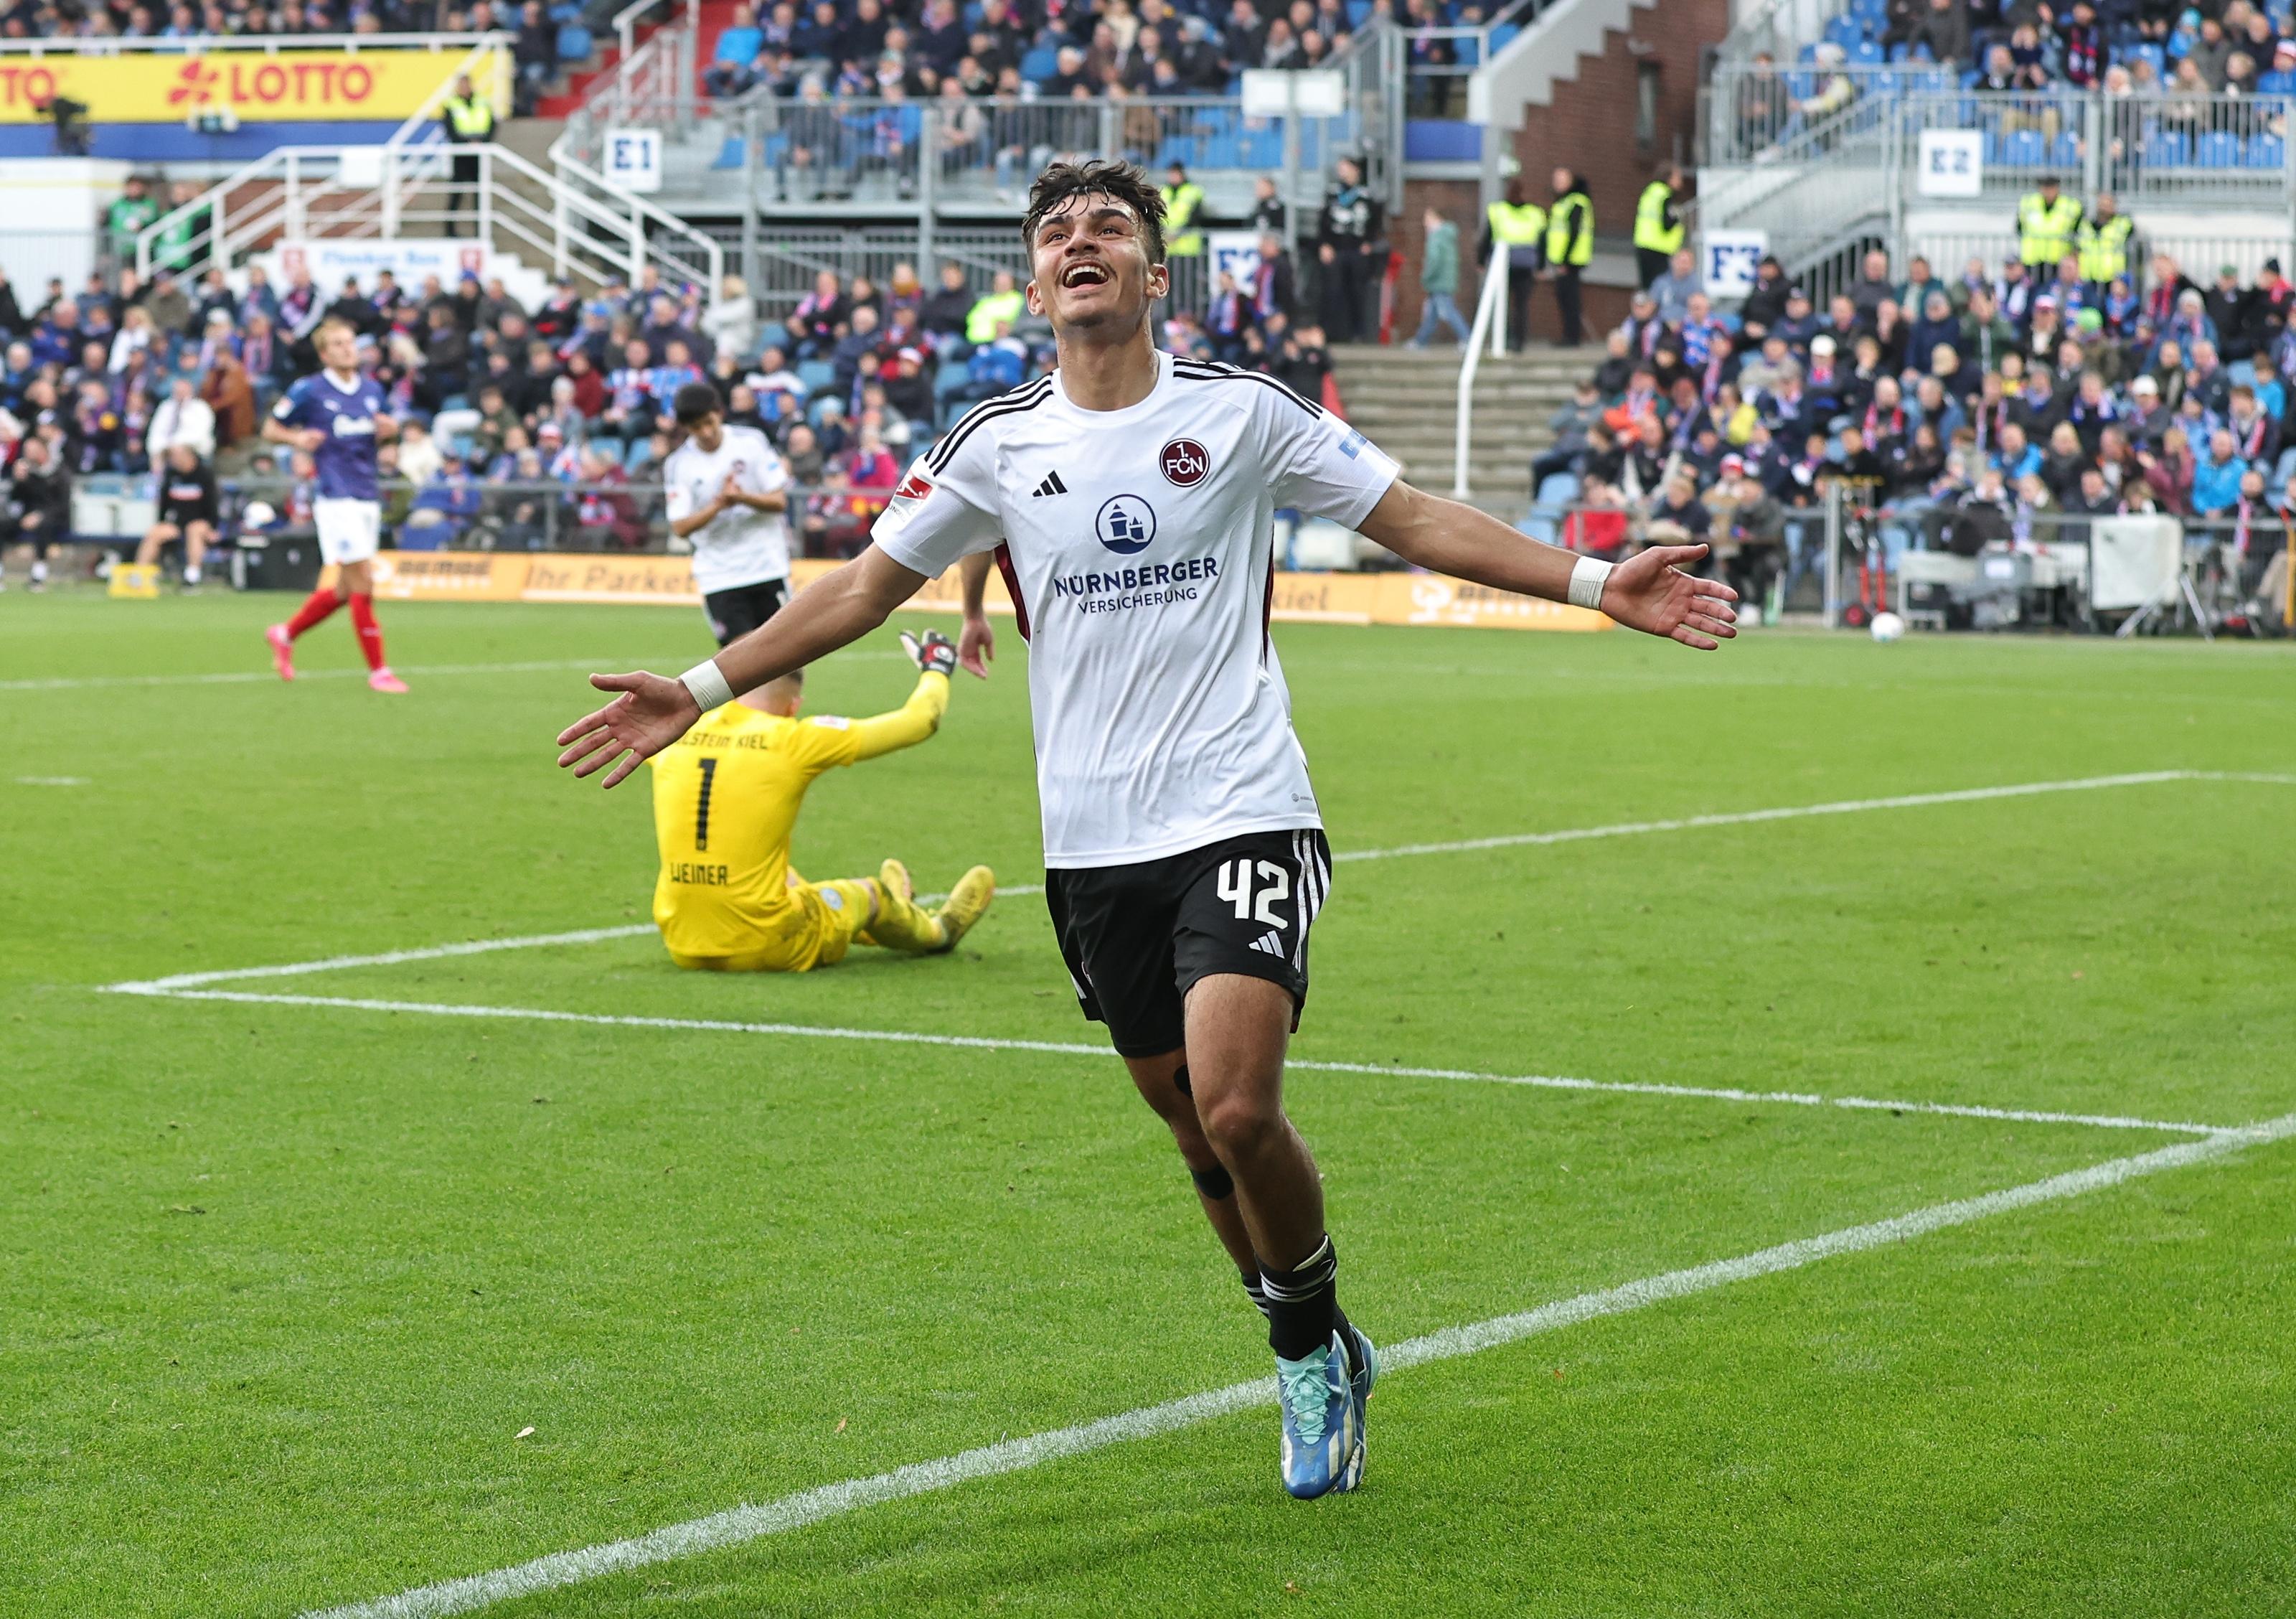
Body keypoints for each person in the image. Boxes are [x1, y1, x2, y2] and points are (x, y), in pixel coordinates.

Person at [554, 159, 1736, 1501]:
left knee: (1239, 1106)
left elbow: (1411, 519)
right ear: (1036, 280)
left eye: (1107, 227)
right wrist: (701, 688)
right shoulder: (994, 442)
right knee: (1190, 1137)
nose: (1080, 243)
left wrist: (1594, 582)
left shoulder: (1239, 414)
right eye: (1057, 231)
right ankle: (1314, 1335)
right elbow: (862, 593)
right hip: (1093, 846)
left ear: (1153, 271)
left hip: (1242, 807)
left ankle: (1302, 1357)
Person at [646, 625, 995, 972]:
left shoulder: (677, 734)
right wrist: (936, 669)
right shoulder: (793, 739)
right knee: (868, 894)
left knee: (784, 877)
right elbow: (921, 721)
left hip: (682, 942)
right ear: (792, 706)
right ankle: (936, 929)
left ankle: (884, 915)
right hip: (771, 942)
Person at [261, 317, 406, 693]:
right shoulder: (309, 390)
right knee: (364, 580)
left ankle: (285, 633)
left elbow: (386, 430)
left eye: (350, 342)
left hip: (365, 494)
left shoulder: (372, 390)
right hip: (334, 495)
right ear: (325, 353)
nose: (348, 349)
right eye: (339, 344)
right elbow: (270, 429)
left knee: (345, 590)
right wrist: (297, 438)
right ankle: (379, 670)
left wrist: (391, 432)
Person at [662, 381, 794, 647]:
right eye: (697, 427)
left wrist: (741, 497)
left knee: (784, 660)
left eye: (709, 422)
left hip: (766, 566)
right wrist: (719, 505)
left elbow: (779, 501)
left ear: (719, 412)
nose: (707, 432)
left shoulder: (751, 442)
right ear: (686, 428)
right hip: (719, 575)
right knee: (740, 664)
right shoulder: (678, 464)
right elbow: (680, 526)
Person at [135, 443, 218, 591]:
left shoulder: (204, 475)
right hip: (178, 523)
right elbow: (164, 504)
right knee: (155, 532)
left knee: (194, 530)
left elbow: (212, 504)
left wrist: (213, 527)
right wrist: (161, 522)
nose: (174, 460)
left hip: (199, 522)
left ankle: (192, 577)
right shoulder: (172, 475)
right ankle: (139, 576)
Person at [1478, 177, 1544, 352]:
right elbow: (1542, 242)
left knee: (1503, 305)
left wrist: (1481, 260)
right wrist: (1541, 266)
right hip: (1526, 265)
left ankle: (1505, 339)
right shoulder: (1535, 213)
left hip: (1503, 264)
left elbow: (1487, 237)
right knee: (1521, 306)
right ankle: (1519, 342)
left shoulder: (1498, 211)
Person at [2, 433, 71, 592]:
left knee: (45, 527)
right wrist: (19, 481)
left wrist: (40, 516)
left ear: (42, 450)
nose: (27, 454)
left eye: (31, 449)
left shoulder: (59, 472)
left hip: (53, 519)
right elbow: (17, 499)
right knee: (3, 525)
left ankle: (38, 577)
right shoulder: (27, 473)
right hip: (28, 516)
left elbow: (62, 505)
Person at [441, 74, 497, 239]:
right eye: (461, 85)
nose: (464, 88)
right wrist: (466, 143)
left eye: (466, 84)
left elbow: (492, 124)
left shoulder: (483, 101)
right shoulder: (451, 104)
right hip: (460, 154)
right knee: (456, 193)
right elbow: (450, 129)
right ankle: (450, 231)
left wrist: (482, 141)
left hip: (479, 155)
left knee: (480, 194)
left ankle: (481, 232)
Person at [1408, 205, 1470, 349]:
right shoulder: (1447, 235)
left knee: (1448, 311)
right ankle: (1420, 341)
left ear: (1437, 218)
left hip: (1438, 281)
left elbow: (1434, 260)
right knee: (1432, 314)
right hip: (1446, 279)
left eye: (1427, 218)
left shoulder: (1436, 236)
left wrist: (1426, 277)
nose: (1425, 222)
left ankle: (1467, 338)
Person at [1543, 168, 1593, 347]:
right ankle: (1568, 336)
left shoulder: (1577, 201)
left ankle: (1572, 338)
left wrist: (1565, 260)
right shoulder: (1562, 202)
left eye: (1561, 180)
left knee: (1571, 299)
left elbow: (1574, 231)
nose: (1556, 183)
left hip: (1571, 260)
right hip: (1562, 260)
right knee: (1564, 298)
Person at [1632, 165, 1687, 290]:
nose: (1680, 182)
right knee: (1660, 289)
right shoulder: (1665, 195)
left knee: (1646, 288)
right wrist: (1678, 216)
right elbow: (1667, 224)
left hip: (1643, 244)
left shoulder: (1650, 192)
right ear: (1669, 178)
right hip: (1660, 248)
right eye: (1677, 177)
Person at [2016, 176, 2081, 274]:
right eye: (2045, 187)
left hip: (2058, 260)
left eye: (2051, 187)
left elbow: (2077, 231)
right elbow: (2019, 227)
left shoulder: (2070, 206)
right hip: (2032, 259)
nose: (2048, 191)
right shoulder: (2029, 203)